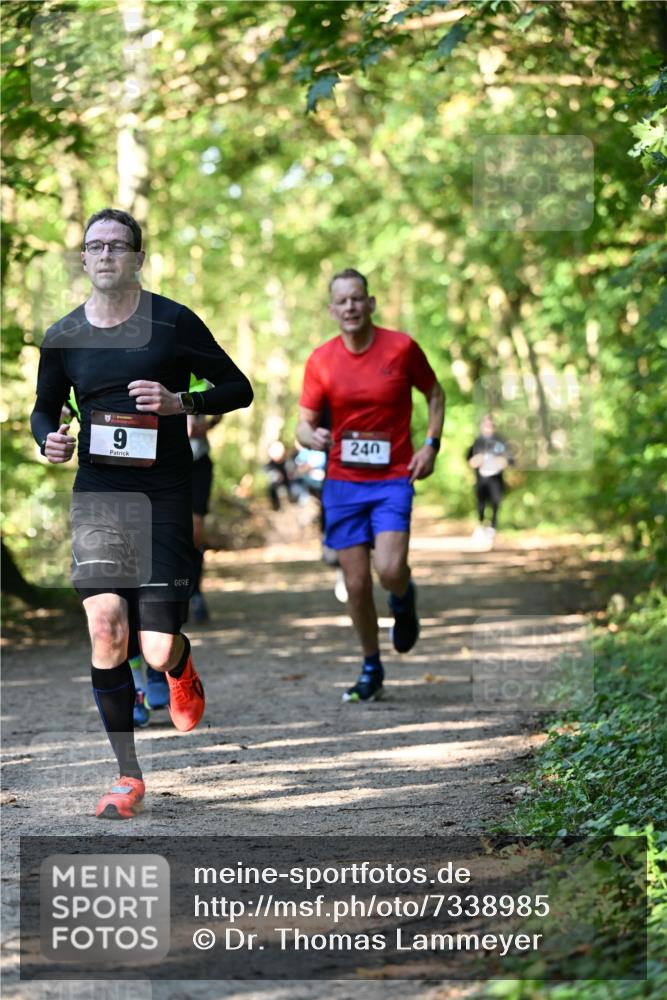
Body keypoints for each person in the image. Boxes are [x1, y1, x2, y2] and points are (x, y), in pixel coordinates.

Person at [31, 208, 253, 818]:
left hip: (163, 496)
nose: (104, 255)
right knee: (105, 625)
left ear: (137, 257)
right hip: (100, 493)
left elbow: (239, 388)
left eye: (117, 246)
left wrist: (180, 400)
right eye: (93, 246)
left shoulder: (173, 322)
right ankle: (126, 776)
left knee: (153, 649)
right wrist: (48, 439)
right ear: (83, 259)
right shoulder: (63, 335)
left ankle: (179, 664)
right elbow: (44, 409)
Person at [296, 268, 445, 703]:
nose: (350, 307)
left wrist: (432, 445)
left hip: (393, 477)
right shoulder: (321, 360)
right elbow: (303, 426)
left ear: (371, 303)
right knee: (357, 584)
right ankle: (370, 665)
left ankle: (403, 598)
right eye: (341, 301)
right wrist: (312, 437)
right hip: (343, 483)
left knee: (391, 570)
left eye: (357, 299)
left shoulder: (401, 348)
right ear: (331, 310)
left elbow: (435, 394)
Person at [466, 414, 514, 542]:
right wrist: (476, 461)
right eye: (486, 425)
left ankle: (492, 528)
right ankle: (481, 526)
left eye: (491, 425)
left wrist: (502, 461)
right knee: (481, 504)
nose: (489, 427)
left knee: (495, 502)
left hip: (496, 479)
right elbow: (469, 460)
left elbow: (510, 459)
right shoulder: (477, 442)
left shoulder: (501, 441)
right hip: (481, 479)